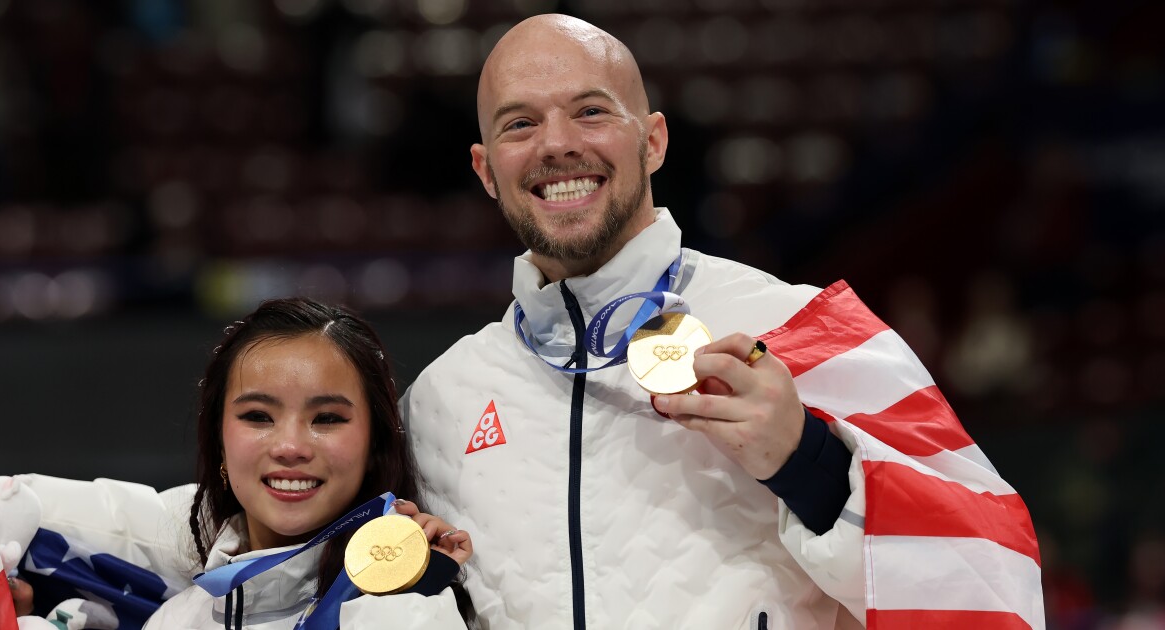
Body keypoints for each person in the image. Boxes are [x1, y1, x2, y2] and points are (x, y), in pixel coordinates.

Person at [401, 13, 1043, 630]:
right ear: (486, 170)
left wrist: (807, 462)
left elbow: (993, 580)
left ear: (653, 141)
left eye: (591, 111)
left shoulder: (804, 328)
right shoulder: (438, 404)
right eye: (520, 124)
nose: (557, 143)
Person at [0, 298, 474, 629]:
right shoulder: (181, 614)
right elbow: (118, 519)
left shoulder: (406, 606)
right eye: (258, 416)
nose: (290, 446)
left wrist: (405, 580)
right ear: (219, 440)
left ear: (375, 442)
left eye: (326, 418)